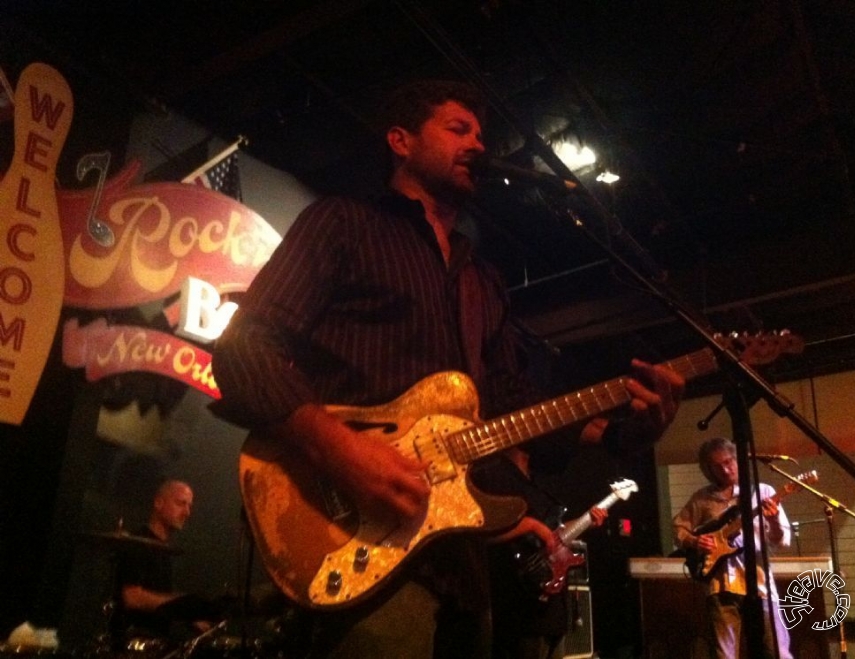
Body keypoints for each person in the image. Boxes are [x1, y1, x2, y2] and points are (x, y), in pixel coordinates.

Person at [210, 78, 684, 659]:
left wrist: (618, 429)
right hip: (355, 538)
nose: (477, 144)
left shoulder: (481, 280)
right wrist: (339, 448)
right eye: (458, 129)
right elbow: (244, 346)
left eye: (481, 135)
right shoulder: (342, 224)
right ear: (401, 140)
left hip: (461, 556)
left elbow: (510, 404)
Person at [472, 445, 609, 659]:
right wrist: (531, 526)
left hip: (552, 607)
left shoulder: (535, 480)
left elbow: (555, 534)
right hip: (520, 604)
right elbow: (480, 532)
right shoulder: (494, 475)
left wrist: (587, 521)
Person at [673, 437, 793, 659]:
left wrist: (774, 519)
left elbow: (782, 540)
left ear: (738, 460)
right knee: (724, 655)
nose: (726, 469)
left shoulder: (763, 491)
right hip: (720, 585)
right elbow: (678, 528)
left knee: (776, 651)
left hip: (759, 584)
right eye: (717, 466)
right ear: (708, 470)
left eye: (729, 462)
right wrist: (694, 541)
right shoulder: (702, 498)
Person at [113, 480, 218, 645]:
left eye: (189, 506)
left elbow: (157, 596)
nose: (187, 512)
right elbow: (132, 597)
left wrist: (190, 617)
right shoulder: (139, 543)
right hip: (131, 643)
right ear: (158, 503)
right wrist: (184, 609)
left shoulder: (164, 549)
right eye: (180, 503)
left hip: (156, 642)